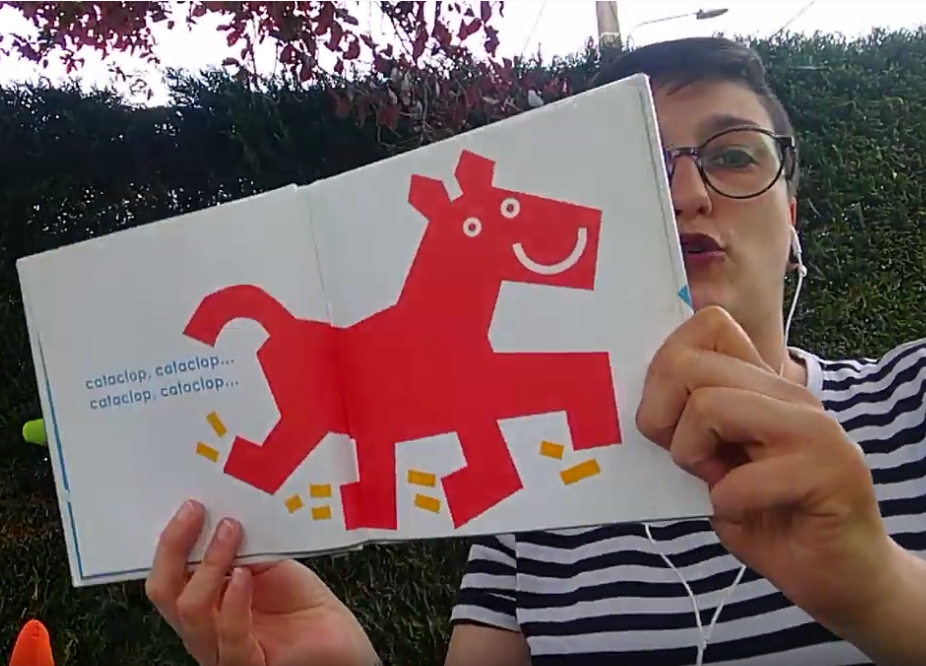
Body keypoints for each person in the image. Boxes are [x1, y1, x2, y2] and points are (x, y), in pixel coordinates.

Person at [144, 36, 926, 666]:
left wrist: (878, 586)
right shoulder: (530, 490)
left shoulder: (911, 400)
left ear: (791, 215)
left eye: (733, 156)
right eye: (643, 166)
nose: (688, 193)